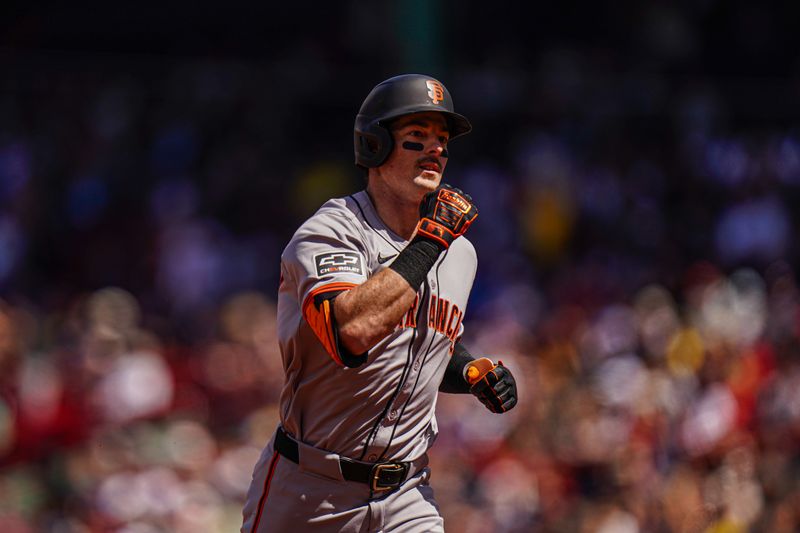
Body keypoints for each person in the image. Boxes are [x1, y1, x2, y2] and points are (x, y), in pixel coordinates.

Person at [241, 74, 518, 533]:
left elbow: (428, 344)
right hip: (311, 489)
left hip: (407, 491)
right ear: (373, 146)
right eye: (417, 139)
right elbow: (350, 333)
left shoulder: (460, 253)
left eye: (443, 143)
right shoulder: (332, 230)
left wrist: (469, 372)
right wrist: (431, 242)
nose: (436, 151)